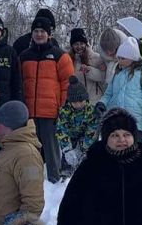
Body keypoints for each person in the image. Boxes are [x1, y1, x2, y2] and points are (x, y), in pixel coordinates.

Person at [20, 12, 76, 183]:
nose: (39, 34)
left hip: (50, 111)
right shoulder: (24, 56)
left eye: (42, 31)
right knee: (30, 148)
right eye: (36, 31)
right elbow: (19, 83)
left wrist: (62, 108)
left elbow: (68, 84)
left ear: (49, 34)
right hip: (29, 111)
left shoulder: (60, 56)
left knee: (51, 149)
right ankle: (32, 179)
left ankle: (54, 178)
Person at [100, 36, 142, 157]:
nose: (119, 61)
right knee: (118, 152)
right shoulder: (117, 74)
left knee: (136, 153)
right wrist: (101, 103)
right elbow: (109, 93)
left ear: (132, 58)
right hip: (117, 121)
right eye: (119, 58)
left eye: (122, 58)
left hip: (137, 123)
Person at [56, 77, 100, 177]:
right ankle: (65, 176)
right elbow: (61, 130)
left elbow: (92, 131)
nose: (79, 104)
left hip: (85, 136)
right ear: (70, 101)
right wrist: (67, 149)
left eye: (81, 101)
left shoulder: (91, 111)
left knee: (87, 157)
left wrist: (83, 147)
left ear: (86, 98)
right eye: (75, 102)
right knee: (68, 158)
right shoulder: (64, 111)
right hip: (70, 137)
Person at [69, 27, 107, 104]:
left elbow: (104, 77)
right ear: (72, 46)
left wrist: (89, 71)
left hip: (95, 102)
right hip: (78, 104)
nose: (79, 47)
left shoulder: (97, 57)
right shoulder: (69, 60)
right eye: (76, 44)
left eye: (82, 43)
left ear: (86, 44)